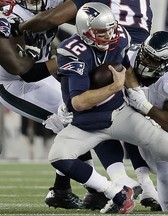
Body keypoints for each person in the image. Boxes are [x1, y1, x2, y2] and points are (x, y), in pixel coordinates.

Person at [49, 2, 168, 214]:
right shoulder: (122, 49)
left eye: (155, 61)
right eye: (146, 55)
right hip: (125, 120)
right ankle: (119, 191)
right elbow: (85, 83)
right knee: (73, 146)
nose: (147, 62)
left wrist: (144, 105)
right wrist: (68, 103)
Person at [6, 0, 159, 210]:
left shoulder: (52, 3)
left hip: (42, 73)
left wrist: (86, 41)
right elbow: (24, 71)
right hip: (16, 84)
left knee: (91, 110)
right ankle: (102, 188)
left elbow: (78, 21)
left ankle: (64, 190)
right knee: (77, 118)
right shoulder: (6, 15)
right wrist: (68, 58)